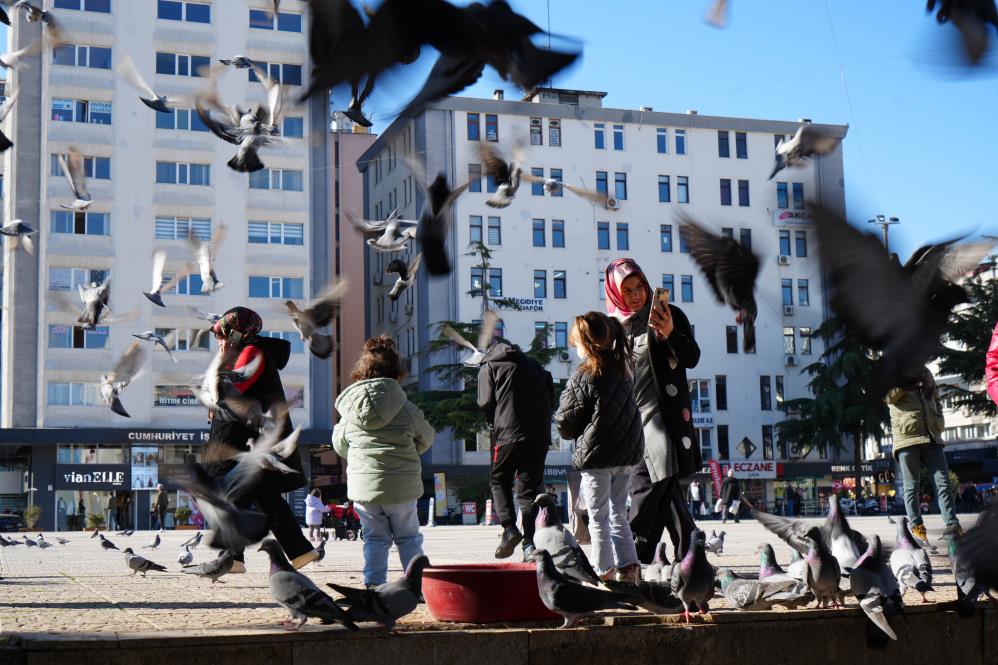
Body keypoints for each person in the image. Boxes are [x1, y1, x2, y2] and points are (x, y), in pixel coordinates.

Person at [604, 258, 701, 562]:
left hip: (662, 421)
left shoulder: (668, 316)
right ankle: (689, 554)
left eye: (639, 287)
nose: (635, 295)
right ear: (615, 293)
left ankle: (633, 555)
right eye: (627, 290)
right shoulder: (612, 330)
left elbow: (692, 357)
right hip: (630, 424)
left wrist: (670, 332)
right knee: (666, 490)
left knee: (648, 486)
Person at [206, 307, 317, 572]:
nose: (220, 342)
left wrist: (221, 363)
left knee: (241, 495)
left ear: (236, 332)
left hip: (250, 442)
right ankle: (298, 551)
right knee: (260, 497)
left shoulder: (251, 352)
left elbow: (230, 392)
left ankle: (234, 557)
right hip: (252, 440)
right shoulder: (248, 352)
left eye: (223, 335)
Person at [333, 336, 434, 588]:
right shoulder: (407, 408)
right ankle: (416, 586)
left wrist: (361, 459)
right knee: (408, 537)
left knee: (375, 539)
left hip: (364, 489)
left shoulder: (349, 412)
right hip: (402, 486)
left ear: (361, 373)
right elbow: (426, 438)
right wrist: (409, 452)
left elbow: (340, 445)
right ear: (397, 375)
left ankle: (374, 585)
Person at [555, 312, 645, 583]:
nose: (576, 349)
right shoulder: (623, 372)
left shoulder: (585, 375)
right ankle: (629, 570)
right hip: (626, 456)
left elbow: (566, 423)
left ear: (586, 343)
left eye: (577, 343)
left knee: (598, 518)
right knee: (619, 513)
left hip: (597, 458)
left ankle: (602, 573)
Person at [478, 333, 555, 560]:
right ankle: (529, 546)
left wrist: (495, 423)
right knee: (529, 491)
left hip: (509, 436)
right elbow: (551, 398)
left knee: (499, 479)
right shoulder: (537, 367)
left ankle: (509, 528)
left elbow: (485, 402)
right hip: (539, 437)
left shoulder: (489, 367)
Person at [887, 366, 961, 542]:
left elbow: (936, 397)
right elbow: (889, 397)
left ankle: (952, 525)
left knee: (943, 482)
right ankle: (917, 527)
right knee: (911, 486)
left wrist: (939, 420)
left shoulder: (925, 371)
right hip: (907, 439)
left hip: (932, 437)